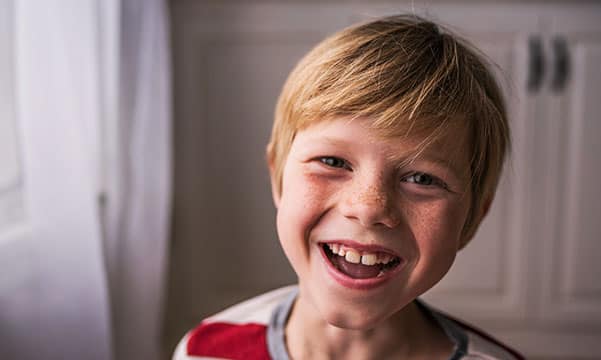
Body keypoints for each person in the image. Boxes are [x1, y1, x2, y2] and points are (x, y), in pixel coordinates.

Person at [174, 14, 523, 360]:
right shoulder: (204, 352)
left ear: (473, 217)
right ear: (278, 177)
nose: (369, 207)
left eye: (421, 179)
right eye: (333, 162)